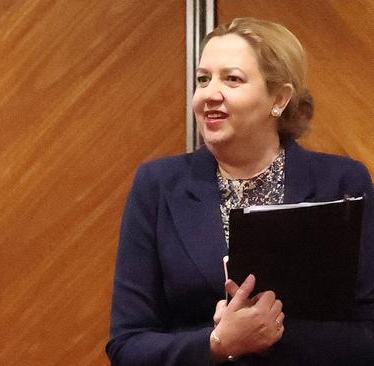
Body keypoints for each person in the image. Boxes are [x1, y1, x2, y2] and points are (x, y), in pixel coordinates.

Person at [106, 17, 374, 365]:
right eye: (203, 79)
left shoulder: (340, 182)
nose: (209, 94)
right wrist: (216, 343)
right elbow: (127, 345)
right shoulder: (158, 185)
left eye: (231, 79)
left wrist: (269, 334)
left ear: (279, 98)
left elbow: (369, 334)